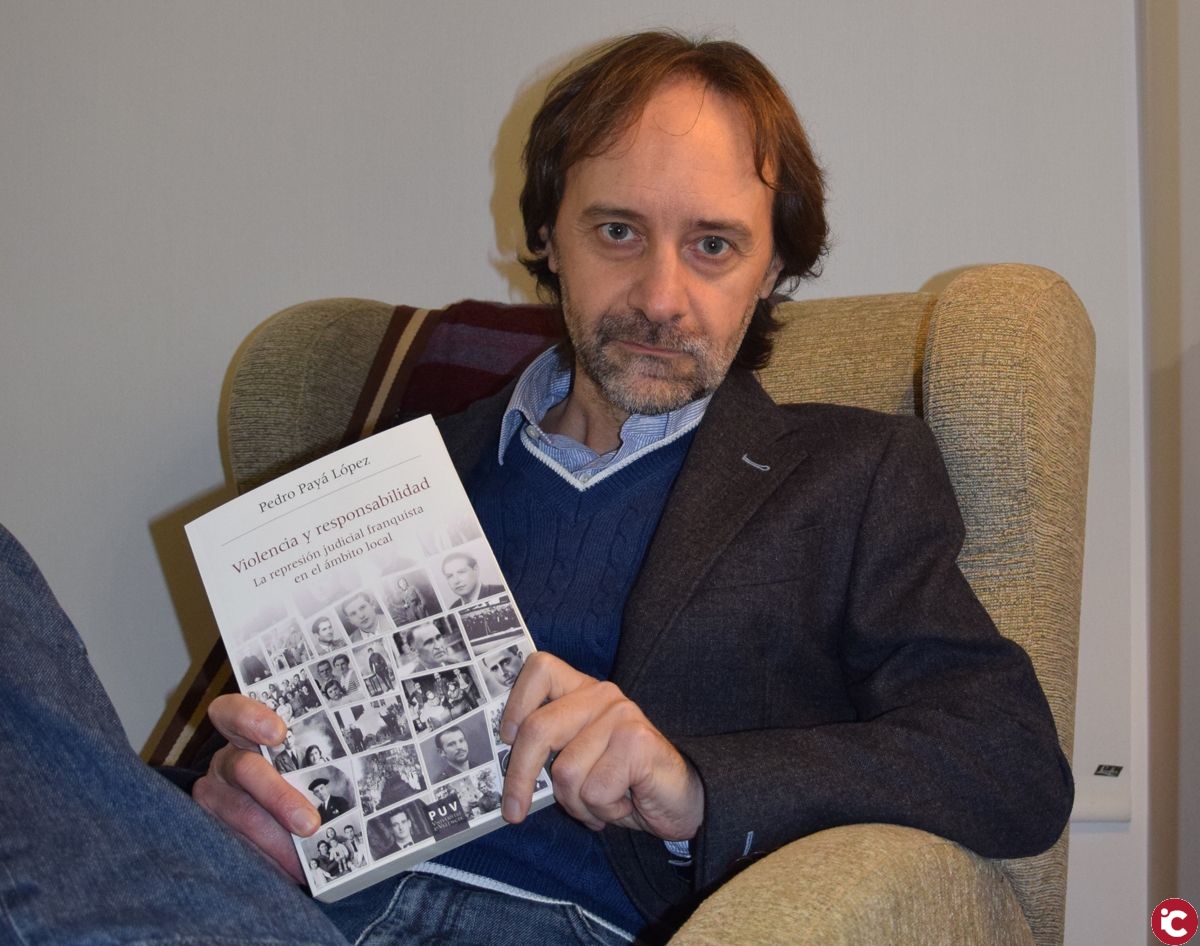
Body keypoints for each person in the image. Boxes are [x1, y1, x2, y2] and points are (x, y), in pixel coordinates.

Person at [0, 30, 1071, 946]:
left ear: (771, 269)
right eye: (618, 231)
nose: (661, 297)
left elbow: (1009, 763)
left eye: (713, 245)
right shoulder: (391, 469)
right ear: (549, 236)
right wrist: (231, 803)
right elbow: (190, 782)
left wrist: (696, 785)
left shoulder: (848, 475)